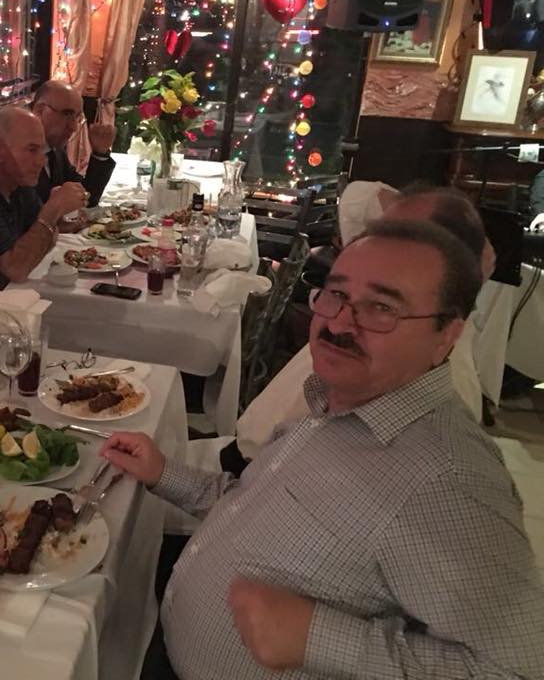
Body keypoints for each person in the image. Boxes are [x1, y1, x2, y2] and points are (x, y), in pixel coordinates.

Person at [108, 220, 544, 679]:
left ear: (446, 335)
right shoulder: (340, 402)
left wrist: (317, 638)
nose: (338, 323)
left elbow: (516, 668)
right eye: (336, 294)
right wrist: (164, 473)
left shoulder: (448, 480)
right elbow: (251, 504)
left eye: (382, 307)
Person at [236, 186, 492, 454]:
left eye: (382, 307)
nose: (337, 325)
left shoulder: (438, 434)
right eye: (378, 233)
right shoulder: (361, 345)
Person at [0, 106, 87, 289]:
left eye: (42, 150)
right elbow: (16, 268)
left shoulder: (17, 183)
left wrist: (53, 219)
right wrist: (52, 211)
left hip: (4, 295)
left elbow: (41, 237)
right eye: (32, 150)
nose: (41, 161)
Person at [32, 80, 116, 208]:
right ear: (40, 110)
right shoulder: (17, 153)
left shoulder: (56, 151)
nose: (74, 127)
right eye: (67, 114)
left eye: (77, 117)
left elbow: (86, 197)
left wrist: (100, 152)